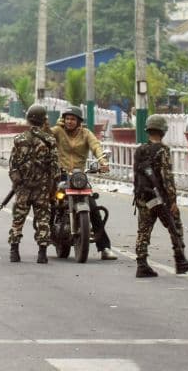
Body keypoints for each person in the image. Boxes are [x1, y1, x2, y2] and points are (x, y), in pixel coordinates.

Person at [133, 114, 188, 277]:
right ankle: (180, 260)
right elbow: (167, 178)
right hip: (159, 198)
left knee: (143, 230)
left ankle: (141, 264)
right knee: (174, 225)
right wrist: (172, 201)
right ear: (163, 131)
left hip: (143, 197)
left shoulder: (140, 149)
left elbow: (136, 175)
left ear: (148, 130)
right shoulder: (163, 150)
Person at [51, 106, 115, 261]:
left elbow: (96, 147)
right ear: (63, 120)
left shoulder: (86, 133)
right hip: (61, 175)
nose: (70, 121)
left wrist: (103, 161)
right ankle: (46, 234)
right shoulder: (58, 131)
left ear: (79, 121)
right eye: (67, 118)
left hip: (80, 177)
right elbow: (46, 136)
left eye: (73, 119)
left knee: (93, 208)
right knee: (51, 202)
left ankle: (104, 247)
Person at [7, 104, 59, 264]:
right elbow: (55, 168)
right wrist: (52, 187)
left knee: (18, 219)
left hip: (23, 187)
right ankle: (42, 253)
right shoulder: (49, 140)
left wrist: (17, 182)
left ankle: (14, 251)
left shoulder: (19, 139)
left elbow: (12, 165)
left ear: (28, 119)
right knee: (43, 219)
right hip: (41, 188)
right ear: (44, 121)